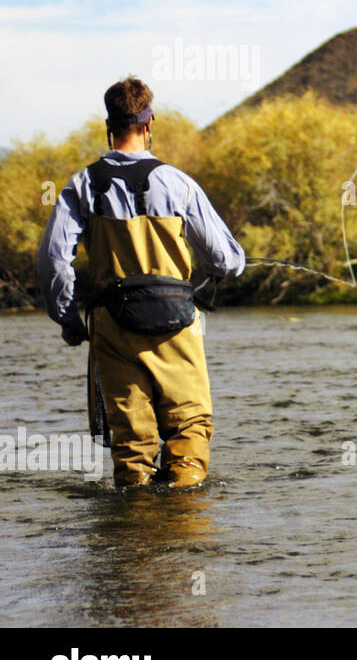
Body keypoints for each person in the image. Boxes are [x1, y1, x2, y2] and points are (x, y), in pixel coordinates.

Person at [36, 77, 245, 487]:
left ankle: (134, 537)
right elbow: (226, 259)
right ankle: (185, 527)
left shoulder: (82, 185)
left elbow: (53, 260)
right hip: (177, 327)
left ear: (108, 125)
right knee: (189, 428)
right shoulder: (179, 183)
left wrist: (68, 319)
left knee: (132, 442)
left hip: (112, 326)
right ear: (150, 123)